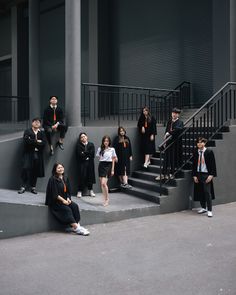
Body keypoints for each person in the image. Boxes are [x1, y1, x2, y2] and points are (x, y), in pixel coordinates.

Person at [45, 163, 90, 235]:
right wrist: (64, 201)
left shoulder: (65, 177)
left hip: (65, 199)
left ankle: (77, 225)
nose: (61, 169)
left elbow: (68, 191)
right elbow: (55, 194)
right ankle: (77, 228)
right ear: (55, 170)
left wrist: (68, 198)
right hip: (56, 201)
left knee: (75, 206)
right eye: (58, 168)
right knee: (67, 209)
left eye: (62, 167)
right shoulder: (52, 179)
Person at [18, 118, 46, 194]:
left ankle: (33, 188)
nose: (37, 123)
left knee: (35, 171)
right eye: (35, 122)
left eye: (38, 122)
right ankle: (23, 187)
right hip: (28, 153)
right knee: (25, 169)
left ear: (40, 124)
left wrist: (32, 141)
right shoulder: (27, 131)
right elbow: (27, 141)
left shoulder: (42, 133)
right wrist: (37, 141)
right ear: (32, 123)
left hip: (38, 154)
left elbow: (43, 144)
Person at [156, 107, 183, 180]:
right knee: (166, 158)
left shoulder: (180, 122)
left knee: (173, 158)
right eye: (173, 113)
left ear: (178, 115)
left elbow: (178, 130)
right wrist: (164, 141)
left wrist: (169, 133)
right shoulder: (169, 121)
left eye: (176, 113)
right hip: (168, 142)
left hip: (175, 143)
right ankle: (163, 174)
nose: (174, 114)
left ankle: (172, 173)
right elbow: (166, 131)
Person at [192, 137, 217, 218]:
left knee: (207, 192)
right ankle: (203, 207)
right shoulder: (196, 152)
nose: (199, 144)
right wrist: (194, 175)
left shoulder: (209, 152)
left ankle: (209, 210)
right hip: (198, 174)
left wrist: (211, 175)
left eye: (201, 142)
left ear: (204, 143)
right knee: (200, 191)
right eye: (198, 142)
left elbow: (213, 164)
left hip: (206, 174)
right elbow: (194, 165)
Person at [96, 135, 117, 206]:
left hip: (108, 165)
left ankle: (107, 199)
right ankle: (105, 199)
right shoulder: (100, 149)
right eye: (105, 141)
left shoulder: (112, 149)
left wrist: (112, 170)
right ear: (103, 142)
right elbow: (99, 157)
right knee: (102, 184)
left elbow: (114, 159)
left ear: (109, 142)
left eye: (107, 141)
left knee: (103, 183)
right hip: (101, 165)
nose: (106, 142)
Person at [76, 132, 96, 198]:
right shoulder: (78, 145)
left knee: (90, 176)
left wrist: (84, 152)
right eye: (81, 137)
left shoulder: (91, 144)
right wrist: (87, 155)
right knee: (82, 176)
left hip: (90, 163)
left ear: (87, 137)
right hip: (82, 163)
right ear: (80, 139)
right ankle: (79, 191)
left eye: (84, 136)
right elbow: (79, 154)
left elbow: (92, 154)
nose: (83, 138)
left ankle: (91, 191)